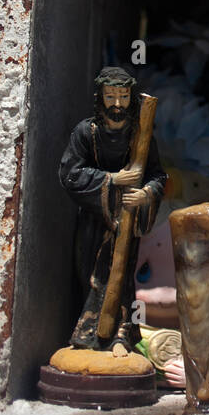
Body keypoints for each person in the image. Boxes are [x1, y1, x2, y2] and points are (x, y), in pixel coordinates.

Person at [58, 66, 166, 355]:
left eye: (123, 96)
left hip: (127, 222)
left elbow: (157, 176)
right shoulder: (85, 132)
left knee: (123, 276)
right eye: (110, 97)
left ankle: (121, 335)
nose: (117, 104)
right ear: (100, 98)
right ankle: (88, 336)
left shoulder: (140, 135)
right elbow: (70, 174)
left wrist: (144, 194)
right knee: (91, 275)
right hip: (96, 219)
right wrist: (111, 180)